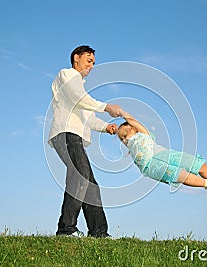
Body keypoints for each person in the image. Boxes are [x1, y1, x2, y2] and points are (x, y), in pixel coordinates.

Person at [48, 45, 121, 238]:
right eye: (89, 61)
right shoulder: (67, 75)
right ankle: (66, 229)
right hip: (66, 134)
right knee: (80, 177)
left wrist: (107, 127)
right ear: (76, 58)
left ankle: (99, 232)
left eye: (94, 63)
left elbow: (87, 117)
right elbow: (79, 98)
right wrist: (106, 107)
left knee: (89, 183)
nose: (91, 66)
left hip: (75, 137)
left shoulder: (79, 86)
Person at [116, 110, 207, 197]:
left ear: (133, 129)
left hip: (164, 154)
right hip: (152, 167)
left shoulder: (143, 134)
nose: (124, 140)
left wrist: (120, 112)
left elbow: (132, 120)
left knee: (194, 163)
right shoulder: (132, 149)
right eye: (122, 139)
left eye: (125, 135)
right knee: (180, 175)